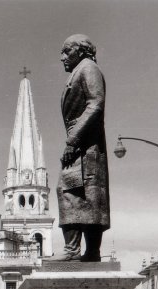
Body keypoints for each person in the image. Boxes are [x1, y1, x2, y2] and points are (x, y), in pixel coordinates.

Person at [51, 34, 110, 262]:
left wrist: (72, 141)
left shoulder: (89, 69)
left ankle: (76, 250)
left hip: (85, 147)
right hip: (83, 146)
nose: (62, 57)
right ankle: (84, 251)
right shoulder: (81, 71)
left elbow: (95, 104)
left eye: (66, 51)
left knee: (77, 193)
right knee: (82, 194)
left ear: (81, 51)